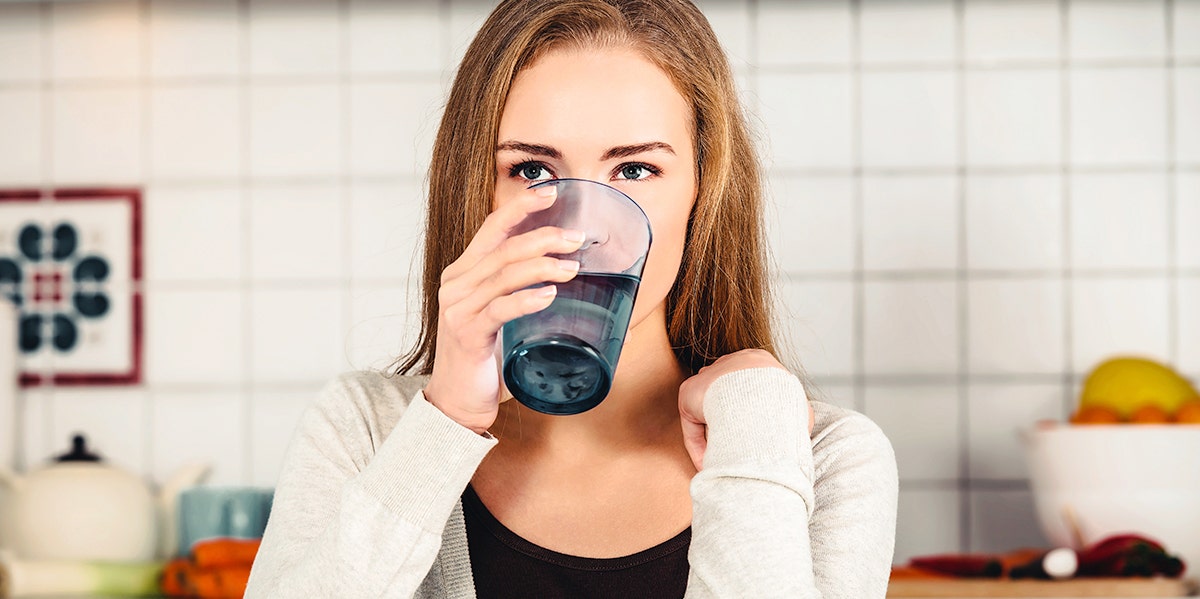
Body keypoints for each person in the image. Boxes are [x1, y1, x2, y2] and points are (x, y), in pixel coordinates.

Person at [245, 0, 897, 597]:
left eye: (635, 169)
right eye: (532, 171)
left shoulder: (823, 456)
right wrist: (442, 425)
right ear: (480, 192)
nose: (582, 229)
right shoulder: (362, 430)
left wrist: (755, 427)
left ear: (703, 192)